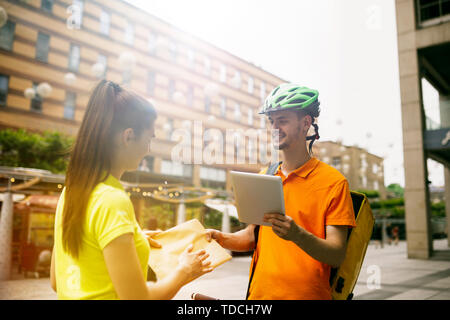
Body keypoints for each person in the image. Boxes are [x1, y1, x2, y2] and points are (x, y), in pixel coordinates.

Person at [50, 80, 212, 300]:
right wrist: (184, 271)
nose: (148, 149)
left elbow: (56, 280)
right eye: (149, 138)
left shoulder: (70, 192)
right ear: (128, 136)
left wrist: (133, 237)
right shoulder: (113, 201)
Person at [206, 84, 356, 300]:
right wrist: (220, 237)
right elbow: (251, 236)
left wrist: (297, 235)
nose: (275, 128)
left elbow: (336, 254)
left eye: (283, 120)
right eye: (271, 121)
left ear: (305, 123)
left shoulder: (333, 182)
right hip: (259, 297)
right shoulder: (265, 176)